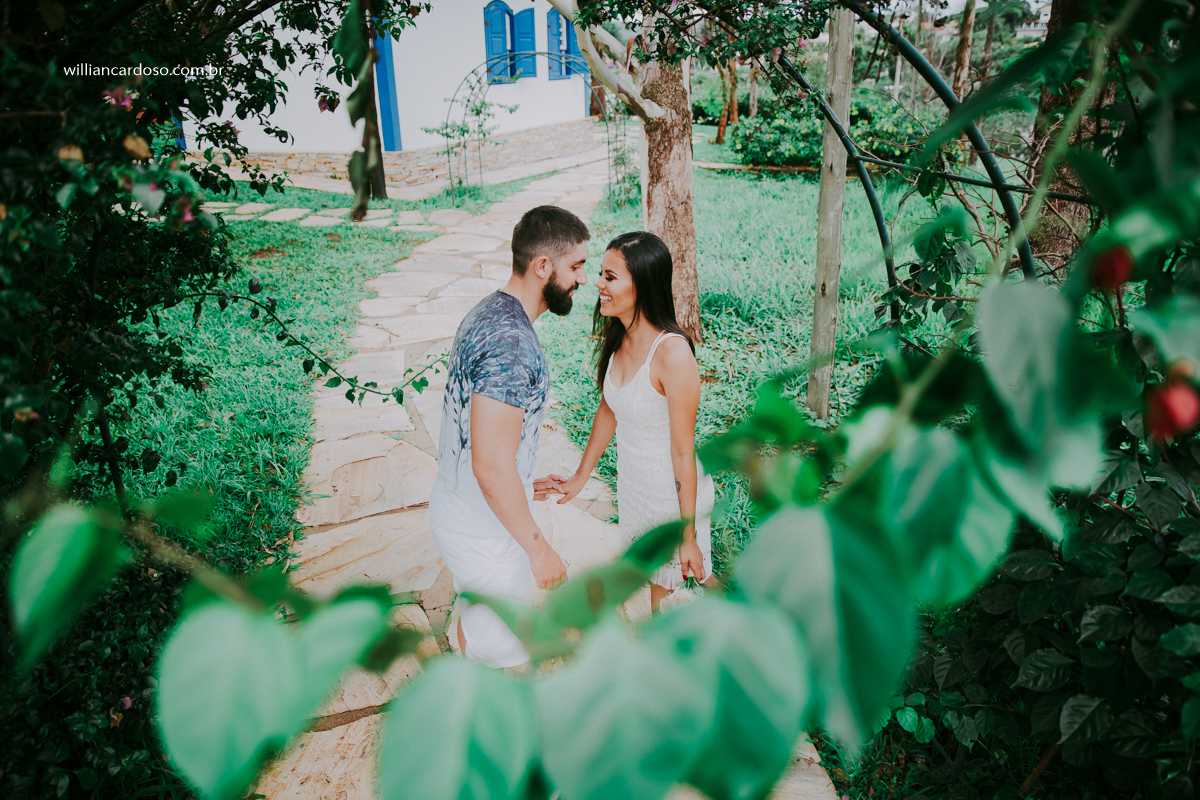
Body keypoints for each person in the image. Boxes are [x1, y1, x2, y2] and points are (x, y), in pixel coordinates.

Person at [428, 205, 590, 669]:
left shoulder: (490, 310)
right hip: (484, 533)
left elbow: (481, 439)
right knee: (505, 660)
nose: (582, 277)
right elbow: (490, 465)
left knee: (479, 628)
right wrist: (540, 550)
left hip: (465, 510)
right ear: (544, 266)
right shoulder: (512, 343)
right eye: (575, 265)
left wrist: (520, 481)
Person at [551, 231, 716, 610]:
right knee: (682, 578)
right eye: (601, 274)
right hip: (635, 490)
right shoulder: (620, 335)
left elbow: (682, 450)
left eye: (611, 277)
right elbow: (610, 407)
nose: (598, 284)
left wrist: (687, 532)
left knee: (673, 591)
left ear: (642, 285)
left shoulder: (672, 354)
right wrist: (580, 476)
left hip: (670, 501)